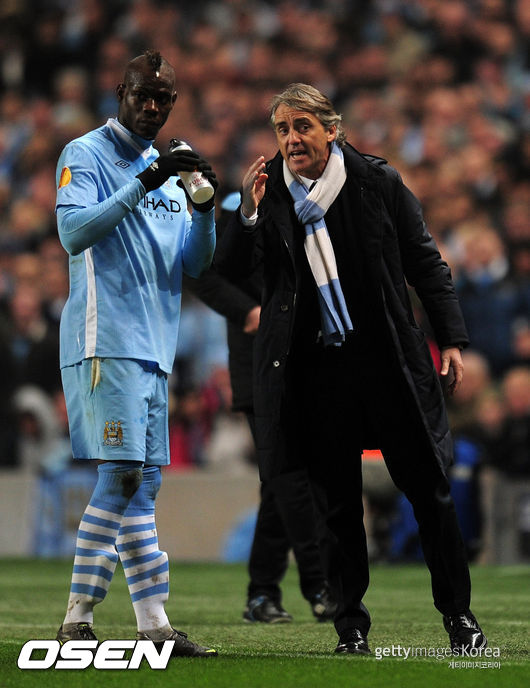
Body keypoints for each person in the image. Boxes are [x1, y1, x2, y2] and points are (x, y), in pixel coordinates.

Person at [215, 83, 487, 655]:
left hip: (387, 362)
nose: (292, 140)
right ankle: (350, 626)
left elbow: (424, 261)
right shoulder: (272, 198)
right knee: (336, 505)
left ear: (331, 130)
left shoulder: (376, 183)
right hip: (316, 373)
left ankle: (458, 614)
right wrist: (247, 209)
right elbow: (234, 270)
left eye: (302, 127)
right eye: (283, 130)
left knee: (429, 489)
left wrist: (453, 340)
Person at [53, 49, 218, 658]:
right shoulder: (86, 154)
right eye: (142, 95)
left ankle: (153, 626)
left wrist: (204, 210)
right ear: (120, 92)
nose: (152, 107)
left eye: (163, 99)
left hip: (155, 350)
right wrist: (146, 182)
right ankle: (78, 618)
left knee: (142, 485)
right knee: (122, 475)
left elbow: (196, 264)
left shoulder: (167, 170)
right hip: (106, 340)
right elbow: (73, 234)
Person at [186, 193, 337, 624]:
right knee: (290, 477)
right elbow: (202, 273)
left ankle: (263, 593)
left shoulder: (303, 208)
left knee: (279, 481)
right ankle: (319, 581)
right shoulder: (241, 208)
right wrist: (247, 310)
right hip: (257, 364)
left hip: (301, 361)